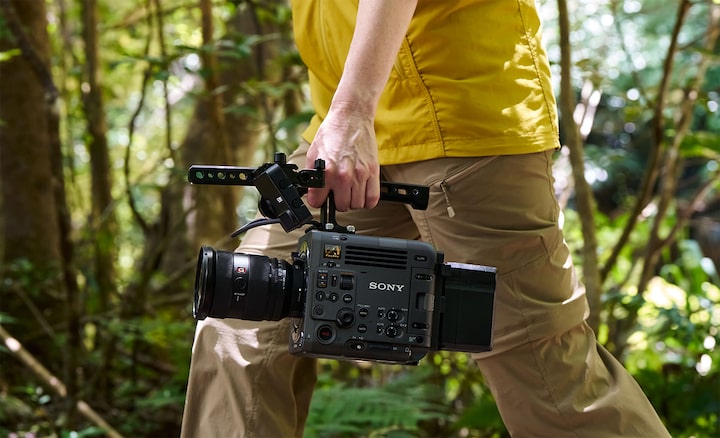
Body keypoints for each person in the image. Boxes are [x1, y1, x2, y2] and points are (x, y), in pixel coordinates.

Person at [181, 1, 671, 436]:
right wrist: (346, 117)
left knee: (545, 373)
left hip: (454, 118)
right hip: (346, 137)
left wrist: (353, 112)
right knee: (241, 313)